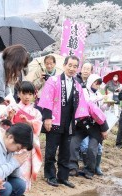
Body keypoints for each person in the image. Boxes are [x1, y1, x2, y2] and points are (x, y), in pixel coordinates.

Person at [38, 55, 89, 188]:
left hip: (69, 121)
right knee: (51, 149)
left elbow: (81, 104)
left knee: (66, 150)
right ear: (64, 65)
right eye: (70, 65)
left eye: (74, 66)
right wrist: (47, 118)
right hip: (54, 120)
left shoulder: (77, 85)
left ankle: (63, 176)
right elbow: (46, 99)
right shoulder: (53, 81)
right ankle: (50, 175)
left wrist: (77, 119)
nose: (72, 69)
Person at [0, 81, 42, 190]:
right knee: (9, 164)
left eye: (30, 94)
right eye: (24, 93)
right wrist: (9, 118)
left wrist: (29, 123)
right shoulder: (12, 108)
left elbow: (37, 127)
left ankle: (21, 189)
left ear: (34, 95)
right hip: (13, 143)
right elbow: (1, 124)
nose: (27, 97)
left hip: (26, 144)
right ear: (18, 94)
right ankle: (7, 187)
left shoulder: (36, 112)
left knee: (25, 167)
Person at [78, 74, 106, 176]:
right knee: (85, 146)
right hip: (85, 122)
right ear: (91, 82)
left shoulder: (98, 93)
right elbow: (86, 104)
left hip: (96, 123)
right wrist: (99, 98)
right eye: (96, 83)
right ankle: (87, 167)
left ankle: (96, 167)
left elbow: (101, 109)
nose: (98, 85)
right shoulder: (84, 91)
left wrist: (107, 104)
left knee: (98, 147)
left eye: (99, 83)